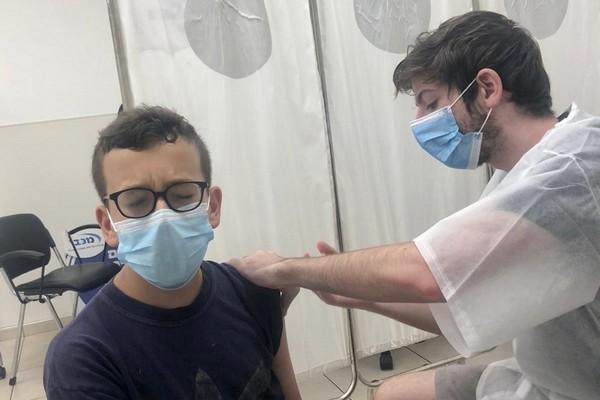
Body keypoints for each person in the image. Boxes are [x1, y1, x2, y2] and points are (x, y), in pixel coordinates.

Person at [230, 11, 600, 400]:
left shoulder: (574, 170)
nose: (421, 122)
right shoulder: (516, 175)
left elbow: (425, 274)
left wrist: (285, 270)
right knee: (393, 393)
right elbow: (458, 297)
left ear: (487, 88)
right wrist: (359, 296)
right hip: (543, 379)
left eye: (430, 102)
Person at [44, 106, 301, 400]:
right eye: (137, 202)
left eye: (182, 195)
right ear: (108, 225)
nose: (163, 218)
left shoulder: (253, 292)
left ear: (212, 207)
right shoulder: (82, 360)